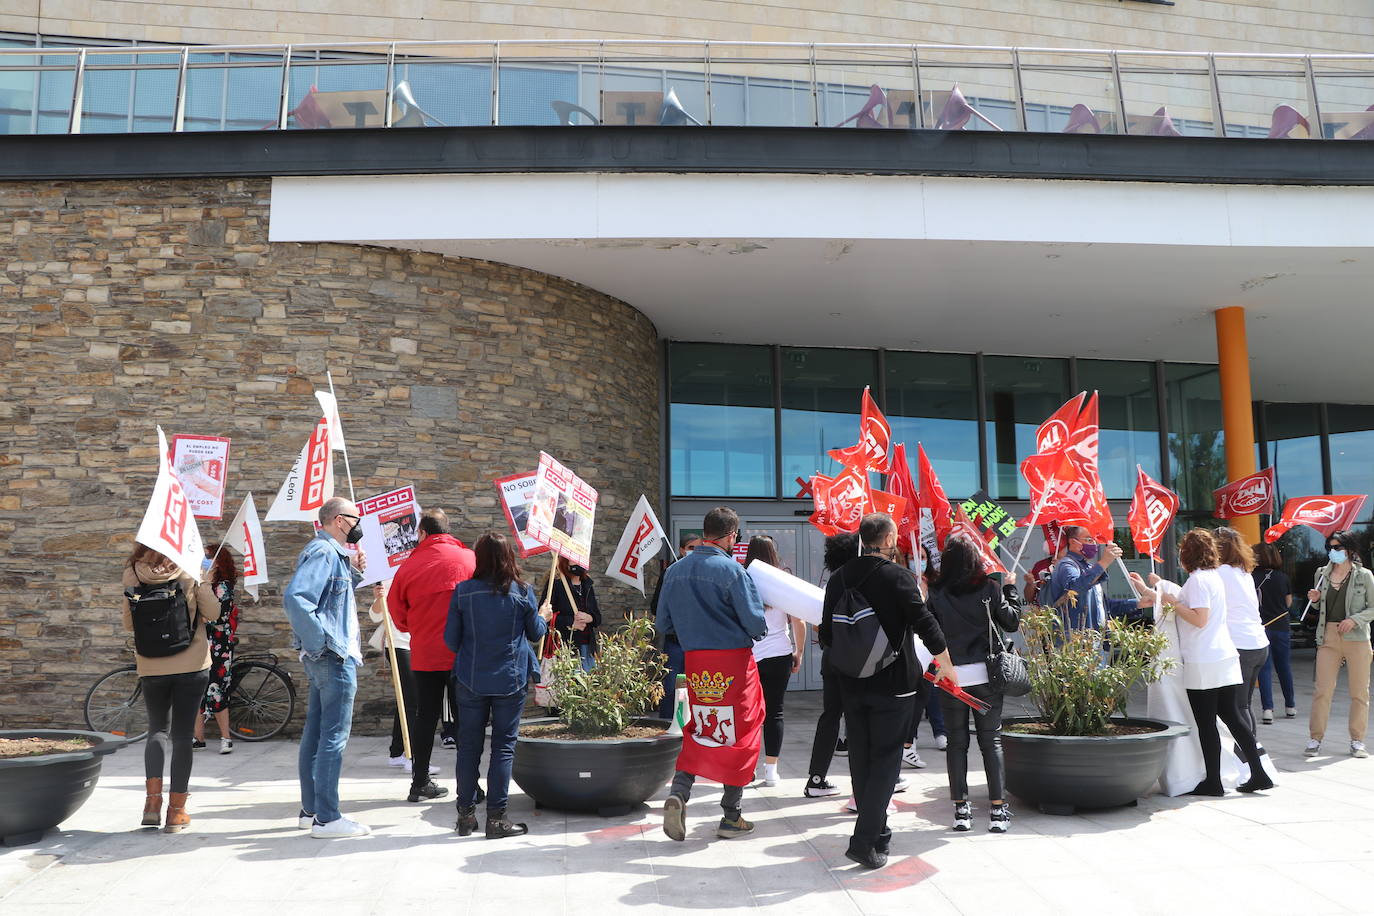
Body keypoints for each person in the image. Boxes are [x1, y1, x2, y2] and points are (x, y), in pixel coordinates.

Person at [820, 512, 956, 870]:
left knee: (861, 760)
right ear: (891, 537)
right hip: (894, 685)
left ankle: (877, 833)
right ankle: (864, 840)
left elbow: (826, 634)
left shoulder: (839, 578)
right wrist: (946, 664)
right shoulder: (899, 577)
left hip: (850, 682)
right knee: (886, 761)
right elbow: (925, 623)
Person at [657, 507, 768, 842]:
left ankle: (679, 792)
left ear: (705, 531)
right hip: (733, 662)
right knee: (741, 732)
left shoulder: (675, 571)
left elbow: (663, 623)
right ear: (732, 536)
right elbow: (756, 624)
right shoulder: (732, 571)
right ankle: (731, 816)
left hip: (697, 662)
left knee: (702, 727)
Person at [445, 532, 552, 838]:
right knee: (503, 748)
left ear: (479, 558)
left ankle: (465, 816)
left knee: (468, 748)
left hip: (470, 677)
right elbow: (535, 633)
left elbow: (451, 641)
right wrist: (542, 615)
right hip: (510, 677)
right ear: (509, 558)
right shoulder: (522, 591)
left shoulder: (463, 592)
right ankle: (497, 819)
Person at [1150, 529, 1272, 795]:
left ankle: (1213, 782)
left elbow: (1198, 618)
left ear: (1187, 554)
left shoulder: (1198, 581)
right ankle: (1259, 772)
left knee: (1206, 724)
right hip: (1224, 655)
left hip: (1203, 660)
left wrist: (1171, 603)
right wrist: (1154, 589)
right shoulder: (1216, 577)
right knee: (1233, 717)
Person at [283, 496, 370, 838]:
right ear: (338, 520)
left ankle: (311, 811)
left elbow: (332, 596)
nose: (359, 523)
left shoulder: (331, 553)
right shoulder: (322, 551)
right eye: (355, 517)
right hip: (332, 656)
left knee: (317, 733)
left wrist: (355, 568)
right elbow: (296, 598)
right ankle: (328, 818)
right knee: (333, 736)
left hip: (325, 656)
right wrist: (320, 643)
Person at [925, 535, 1019, 833]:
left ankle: (961, 810)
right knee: (990, 740)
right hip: (987, 675)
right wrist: (1011, 589)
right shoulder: (990, 588)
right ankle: (998, 811)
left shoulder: (937, 591)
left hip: (951, 676)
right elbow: (1012, 622)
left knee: (956, 742)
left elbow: (927, 629)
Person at [122, 544, 216, 832]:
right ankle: (176, 812)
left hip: (151, 665)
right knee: (183, 735)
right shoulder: (190, 568)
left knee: (157, 730)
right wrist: (205, 582)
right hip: (191, 664)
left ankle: (152, 804)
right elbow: (213, 612)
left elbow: (129, 623)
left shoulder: (132, 571)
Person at [389, 508, 476, 803]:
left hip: (425, 653)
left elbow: (396, 612)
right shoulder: (469, 559)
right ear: (447, 530)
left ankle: (419, 781)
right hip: (462, 653)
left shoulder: (409, 566)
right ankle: (471, 785)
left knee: (425, 717)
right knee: (466, 719)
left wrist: (415, 628)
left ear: (422, 533)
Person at [743, 535, 807, 787]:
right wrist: (798, 652)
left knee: (748, 714)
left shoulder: (743, 578)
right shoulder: (782, 582)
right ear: (774, 554)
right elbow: (799, 620)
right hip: (779, 654)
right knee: (774, 711)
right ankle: (771, 770)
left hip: (749, 656)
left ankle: (747, 769)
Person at [1304, 530, 1374, 759]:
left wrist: (1355, 619)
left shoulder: (1364, 576)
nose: (1332, 552)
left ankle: (1357, 740)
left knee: (1359, 692)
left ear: (1350, 550)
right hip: (1328, 636)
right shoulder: (1321, 574)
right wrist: (1314, 600)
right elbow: (1317, 609)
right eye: (1330, 548)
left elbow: (1372, 607)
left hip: (1357, 638)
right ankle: (1315, 739)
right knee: (1322, 690)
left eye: (1337, 548)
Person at [803, 532, 858, 799]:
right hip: (858, 662)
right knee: (860, 721)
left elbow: (822, 627)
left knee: (830, 717)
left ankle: (816, 778)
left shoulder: (833, 582)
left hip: (833, 659)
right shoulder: (862, 578)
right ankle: (864, 784)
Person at [364, 582, 435, 778]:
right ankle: (412, 756)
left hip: (418, 641)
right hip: (399, 643)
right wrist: (379, 598)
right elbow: (375, 615)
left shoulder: (420, 573)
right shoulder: (390, 575)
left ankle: (397, 752)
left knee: (406, 699)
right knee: (414, 700)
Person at [1212, 528, 1269, 741]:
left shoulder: (1222, 573)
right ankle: (1252, 749)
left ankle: (1249, 754)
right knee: (1244, 703)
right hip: (1258, 643)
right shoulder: (1243, 572)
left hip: (1241, 645)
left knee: (1237, 706)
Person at [1044, 526, 1154, 629]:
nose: (1094, 544)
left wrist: (1137, 603)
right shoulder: (1066, 565)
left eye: (1095, 540)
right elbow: (1075, 588)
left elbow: (1104, 606)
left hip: (1094, 640)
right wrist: (1104, 562)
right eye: (1089, 540)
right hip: (1075, 641)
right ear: (1073, 542)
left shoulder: (1089, 568)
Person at [193, 546, 238, 756]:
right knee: (197, 689)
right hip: (202, 641)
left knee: (217, 689)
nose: (204, 560)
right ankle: (198, 737)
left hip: (219, 644)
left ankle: (226, 738)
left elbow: (219, 616)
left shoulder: (222, 586)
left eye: (208, 557)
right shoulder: (201, 584)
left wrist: (201, 617)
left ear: (218, 562)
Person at [654, 534, 700, 720]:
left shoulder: (701, 572)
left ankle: (693, 721)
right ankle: (667, 721)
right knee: (671, 685)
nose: (694, 552)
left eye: (698, 548)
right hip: (675, 640)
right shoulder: (670, 572)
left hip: (697, 641)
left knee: (697, 686)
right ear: (681, 550)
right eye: (691, 548)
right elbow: (656, 605)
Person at [1252, 542, 1296, 724]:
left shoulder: (1251, 577)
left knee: (1265, 668)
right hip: (1281, 626)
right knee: (1284, 666)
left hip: (1260, 627)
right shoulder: (1283, 577)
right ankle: (1290, 706)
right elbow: (1288, 603)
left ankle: (1267, 710)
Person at [544, 556, 602, 672]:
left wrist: (589, 618)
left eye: (580, 558)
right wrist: (571, 622)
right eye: (573, 558)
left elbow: (598, 617)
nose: (578, 562)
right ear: (565, 560)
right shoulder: (556, 584)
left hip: (587, 648)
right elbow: (545, 617)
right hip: (566, 647)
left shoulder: (587, 584)